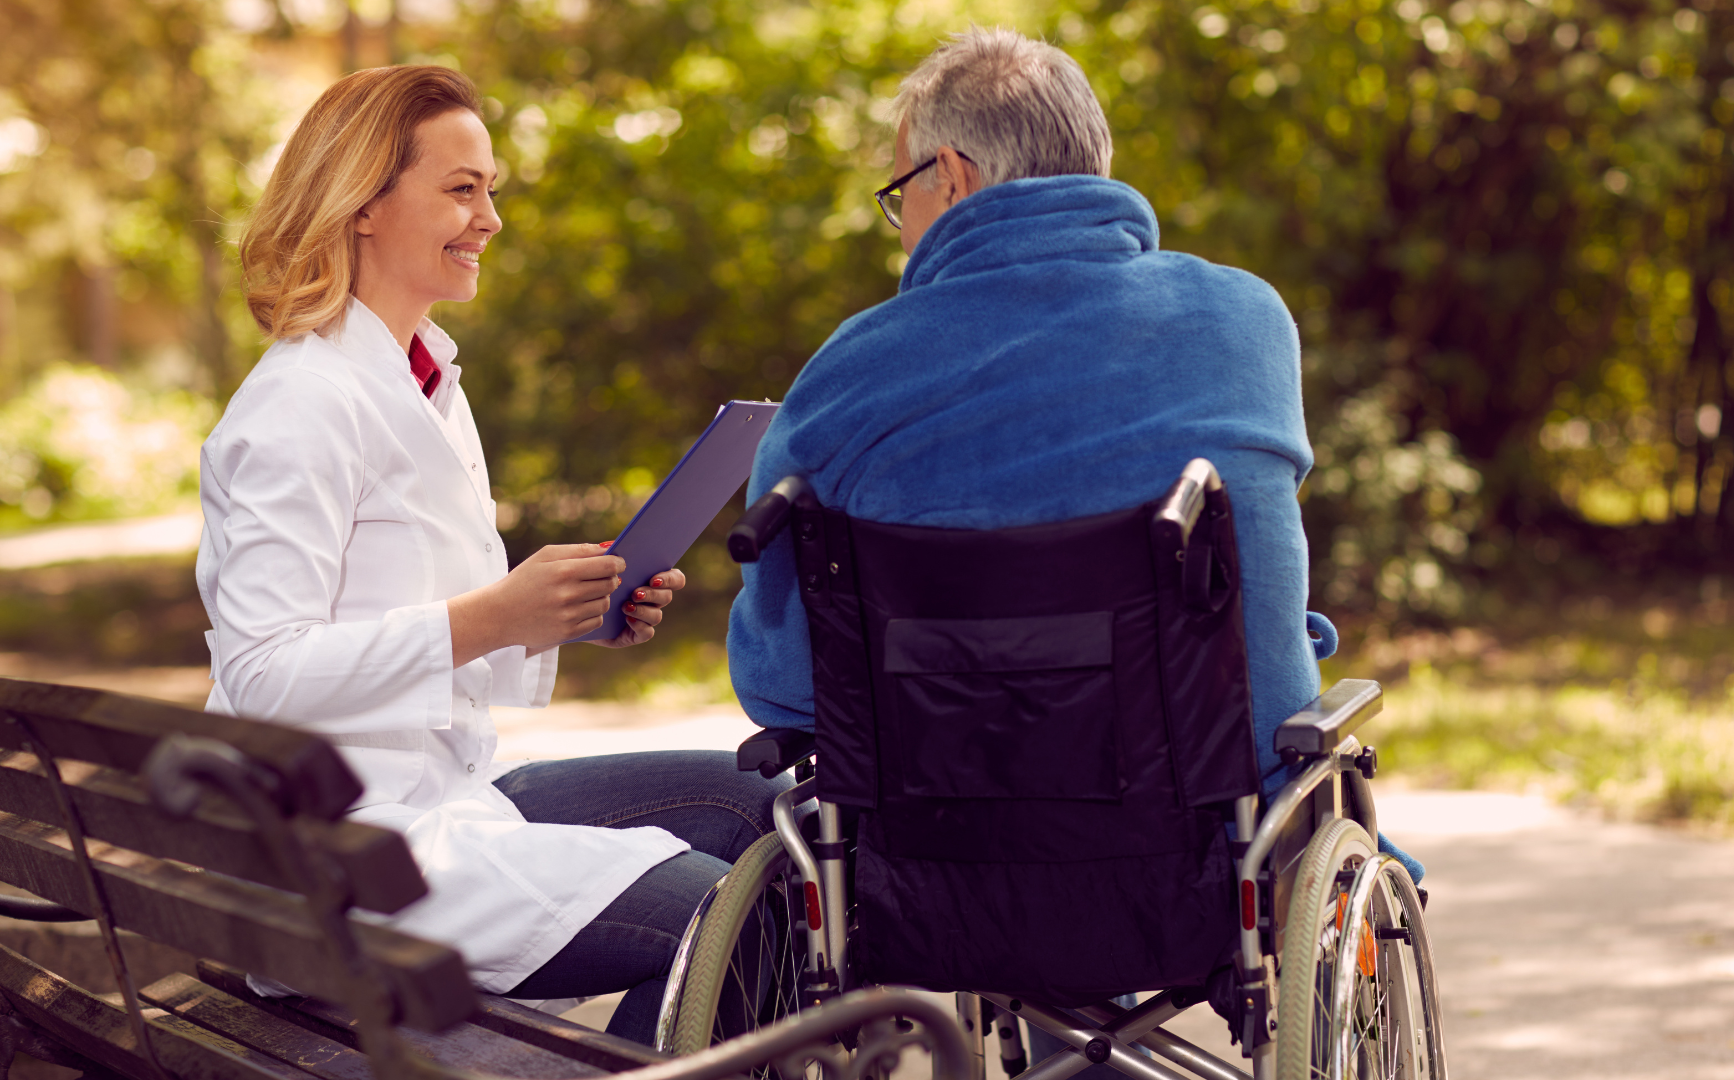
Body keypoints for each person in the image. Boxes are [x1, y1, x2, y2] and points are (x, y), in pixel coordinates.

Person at [725, 27, 1423, 1030]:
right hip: (1204, 862)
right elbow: (1268, 629)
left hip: (931, 881)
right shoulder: (1241, 322)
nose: (901, 225)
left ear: (953, 177)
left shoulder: (848, 373)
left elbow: (783, 683)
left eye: (900, 194)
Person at [202, 64, 785, 1041]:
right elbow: (260, 678)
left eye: (493, 192)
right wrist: (493, 617)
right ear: (362, 207)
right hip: (345, 855)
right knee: (737, 919)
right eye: (462, 190)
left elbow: (435, 624)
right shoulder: (299, 405)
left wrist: (573, 609)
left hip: (443, 805)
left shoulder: (428, 377)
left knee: (763, 808)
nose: (491, 219)